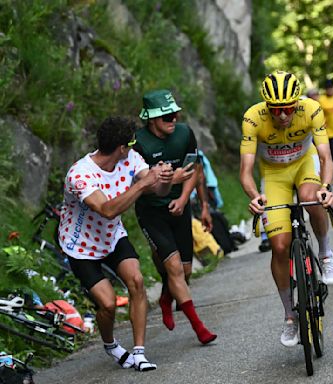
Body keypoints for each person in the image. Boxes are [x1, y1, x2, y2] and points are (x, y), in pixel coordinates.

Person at [58, 116, 173, 371]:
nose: (133, 149)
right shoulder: (80, 175)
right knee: (108, 304)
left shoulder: (130, 158)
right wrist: (143, 184)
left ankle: (140, 353)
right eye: (130, 144)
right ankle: (110, 344)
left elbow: (156, 188)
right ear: (121, 147)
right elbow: (107, 210)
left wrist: (163, 178)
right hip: (80, 245)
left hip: (111, 236)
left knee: (137, 281)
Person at [240, 70, 333, 347]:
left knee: (310, 197)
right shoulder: (253, 118)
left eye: (288, 109)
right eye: (276, 110)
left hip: (304, 164)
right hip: (273, 175)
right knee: (280, 246)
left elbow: (324, 156)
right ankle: (289, 316)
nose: (283, 115)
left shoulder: (311, 109)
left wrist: (326, 187)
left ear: (297, 103)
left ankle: (325, 252)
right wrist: (253, 195)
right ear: (267, 107)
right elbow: (246, 170)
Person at [134, 89, 216, 345]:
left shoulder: (184, 133)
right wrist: (169, 182)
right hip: (152, 212)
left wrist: (189, 201)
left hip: (180, 207)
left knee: (186, 271)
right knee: (174, 268)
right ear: (151, 119)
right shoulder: (138, 143)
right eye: (166, 116)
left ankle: (166, 297)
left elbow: (195, 168)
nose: (173, 119)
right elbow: (139, 184)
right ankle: (200, 329)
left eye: (175, 114)